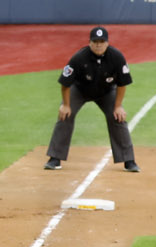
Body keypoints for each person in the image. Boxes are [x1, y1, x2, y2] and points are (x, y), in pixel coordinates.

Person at [44, 26, 137, 173]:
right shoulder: (79, 57)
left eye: (102, 42)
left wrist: (118, 106)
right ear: (90, 43)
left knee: (117, 117)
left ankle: (128, 160)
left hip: (106, 92)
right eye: (95, 42)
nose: (98, 45)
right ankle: (55, 158)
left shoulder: (117, 57)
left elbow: (122, 83)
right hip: (80, 90)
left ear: (107, 43)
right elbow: (65, 84)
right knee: (65, 115)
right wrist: (66, 105)